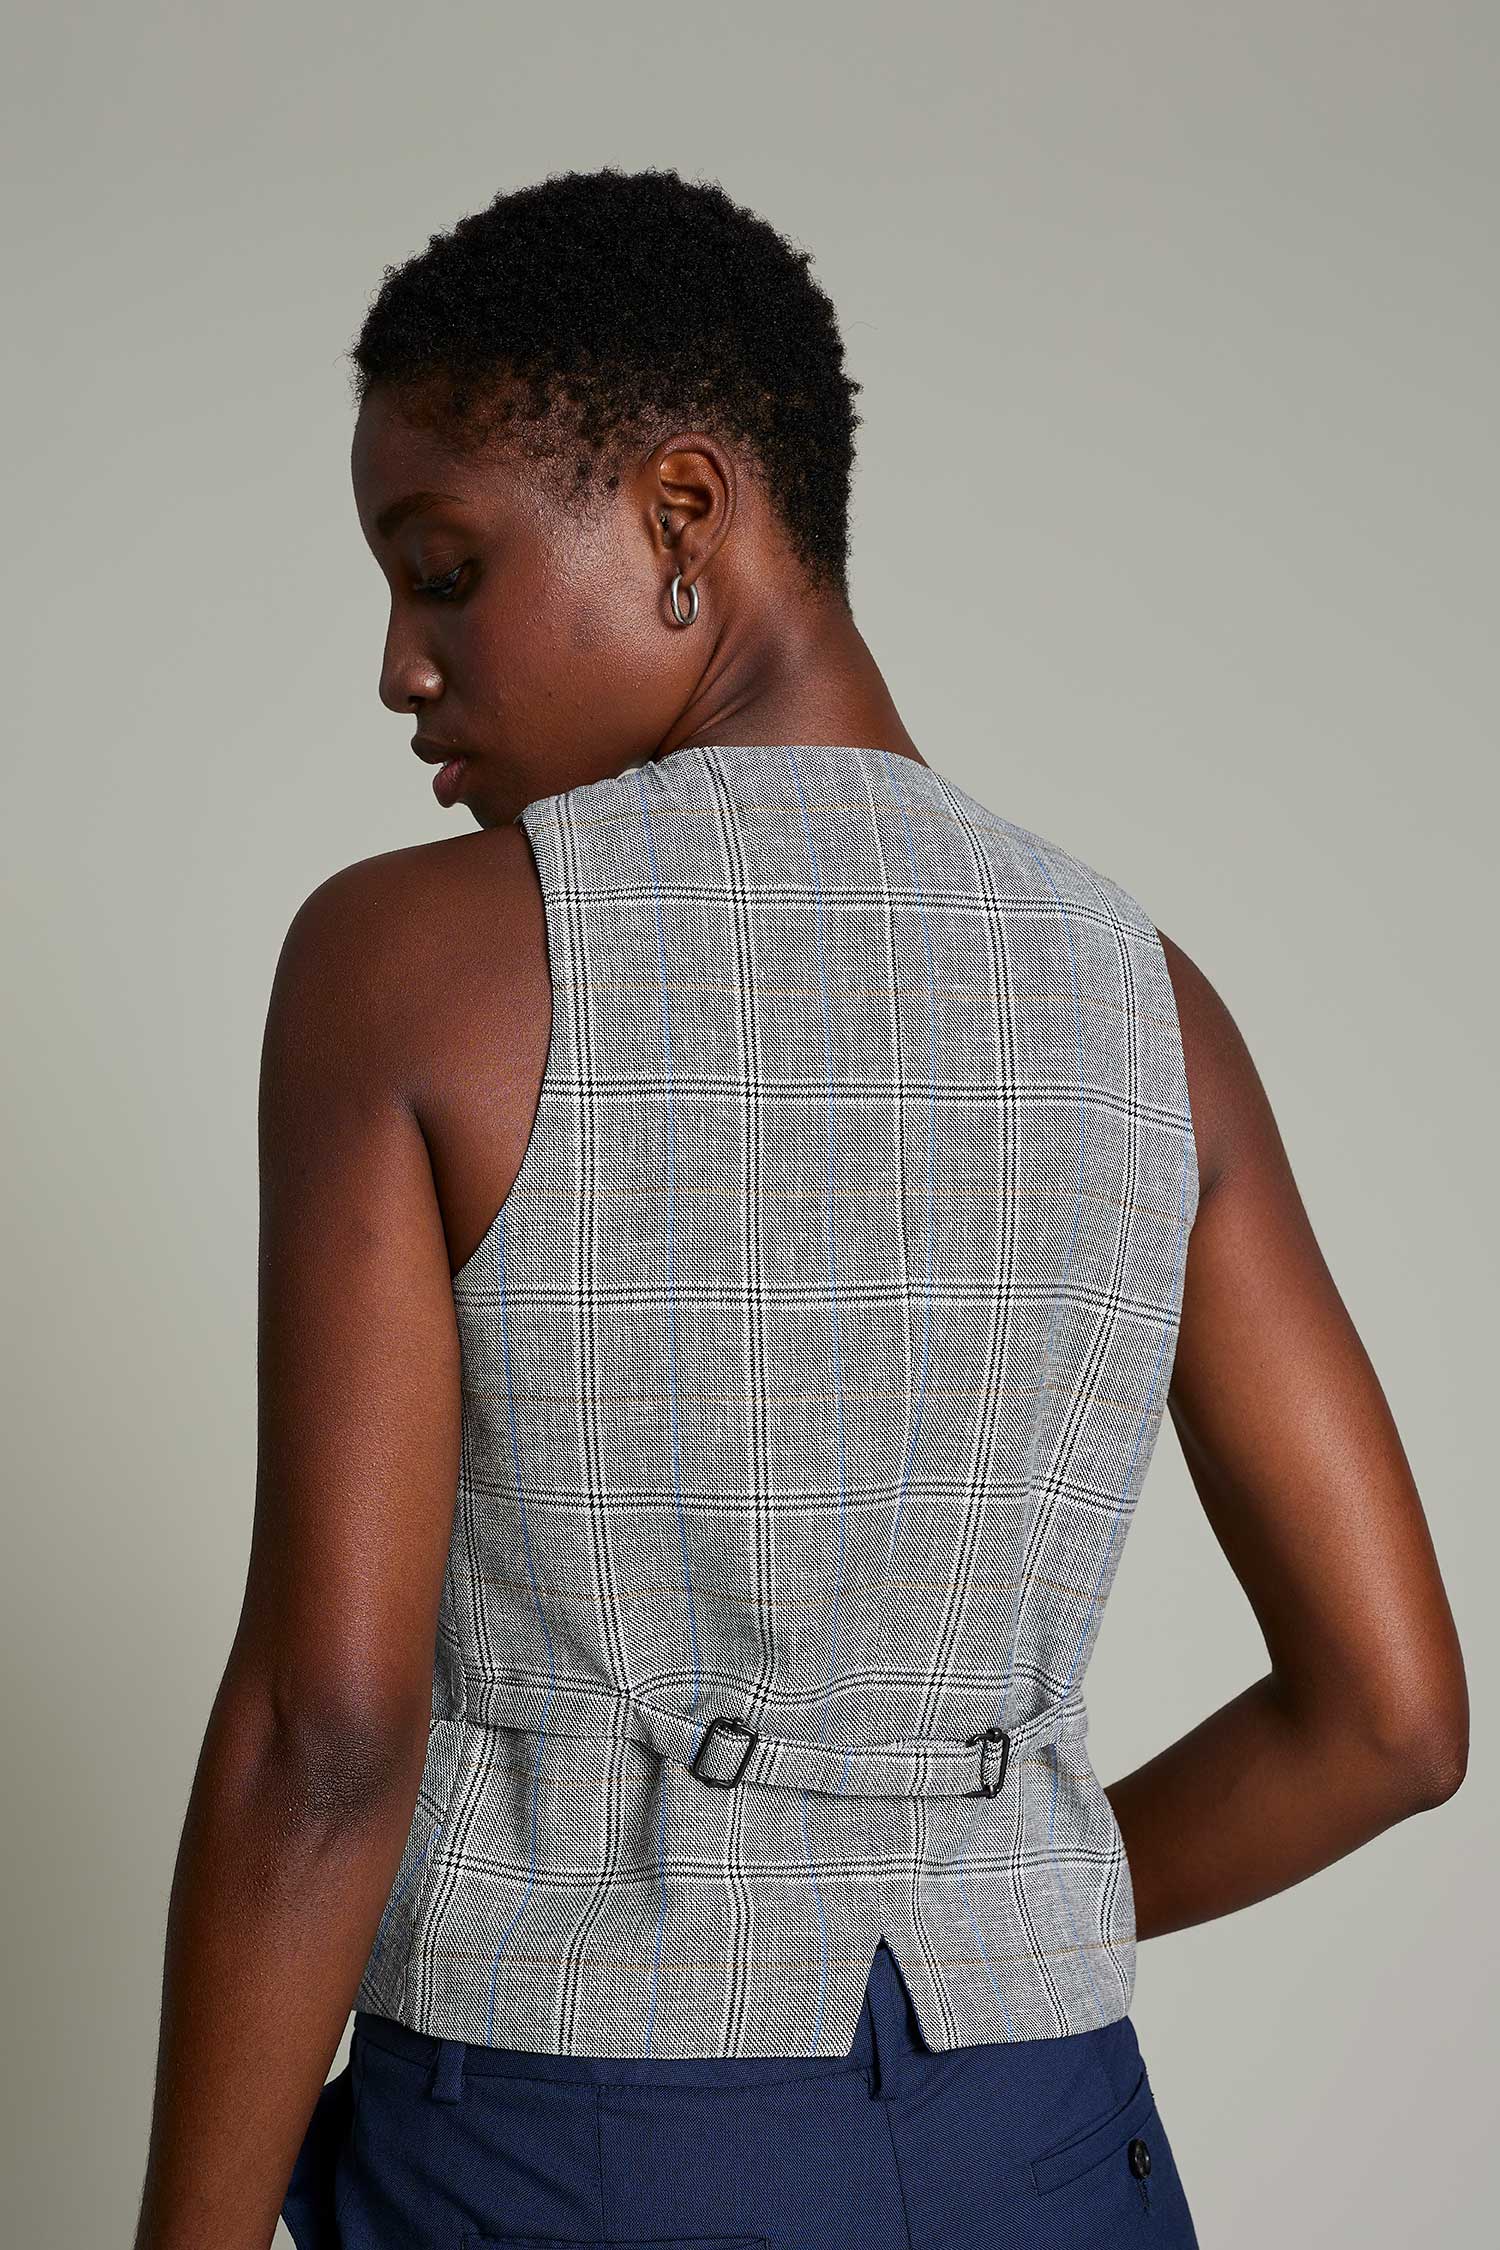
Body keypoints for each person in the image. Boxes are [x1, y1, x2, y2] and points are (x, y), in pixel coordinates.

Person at [132, 166, 1468, 2250]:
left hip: (566, 2147)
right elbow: (1391, 1718)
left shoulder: (412, 967)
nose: (402, 666)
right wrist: (996, 1903)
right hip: (1052, 2148)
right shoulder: (1151, 1006)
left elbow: (329, 1732)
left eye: (445, 572)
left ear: (685, 516)